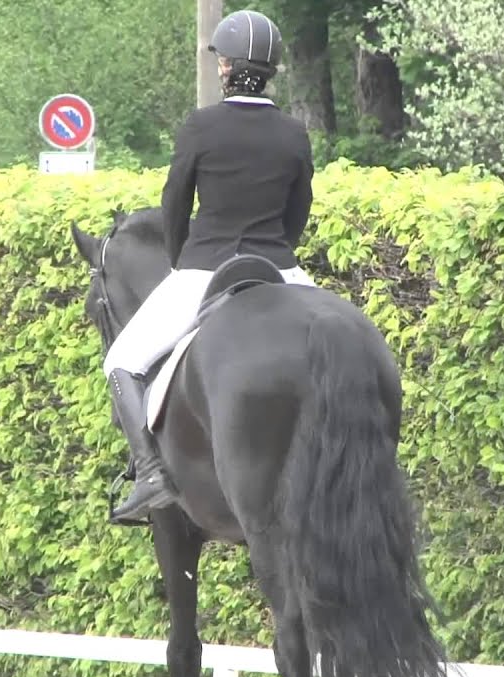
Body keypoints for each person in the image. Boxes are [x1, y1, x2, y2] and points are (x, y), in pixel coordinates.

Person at [103, 9, 318, 525]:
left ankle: (151, 474)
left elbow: (174, 203)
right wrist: (276, 253)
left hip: (203, 269)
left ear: (225, 67)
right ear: (270, 70)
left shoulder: (201, 126)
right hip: (281, 269)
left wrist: (180, 261)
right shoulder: (293, 133)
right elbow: (298, 211)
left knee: (122, 361)